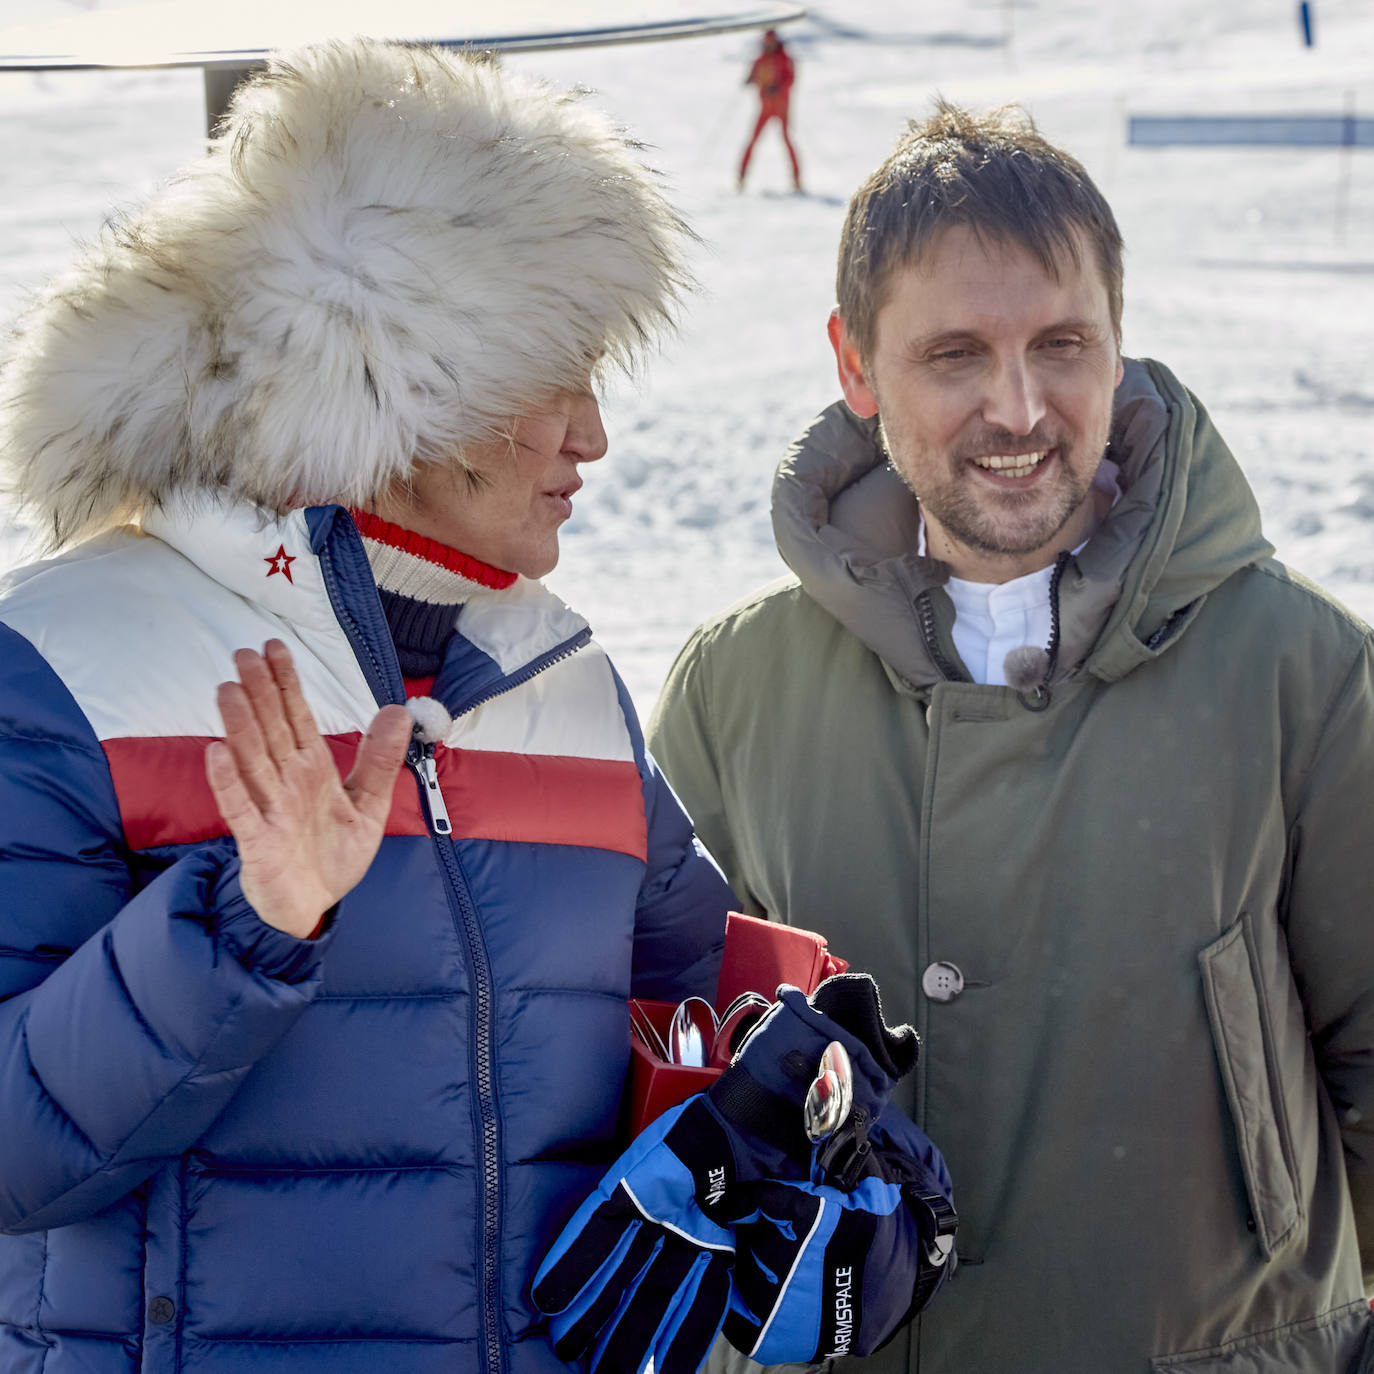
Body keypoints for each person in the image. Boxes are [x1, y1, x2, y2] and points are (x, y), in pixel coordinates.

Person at [0, 40, 739, 1374]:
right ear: (406, 374)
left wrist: (811, 1098)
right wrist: (246, 926)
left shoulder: (557, 678)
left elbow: (695, 989)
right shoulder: (65, 667)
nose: (592, 437)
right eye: (549, 376)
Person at [649, 100, 1374, 1373]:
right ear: (856, 366)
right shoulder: (735, 693)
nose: (1019, 407)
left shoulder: (1299, 672)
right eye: (955, 356)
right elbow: (688, 1081)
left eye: (1062, 345)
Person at [738, 29, 802, 192]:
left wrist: (778, 88)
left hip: (781, 108)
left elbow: (791, 78)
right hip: (765, 108)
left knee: (787, 141)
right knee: (752, 140)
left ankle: (796, 179)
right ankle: (741, 178)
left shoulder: (784, 58)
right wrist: (750, 79)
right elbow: (755, 75)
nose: (768, 45)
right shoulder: (760, 59)